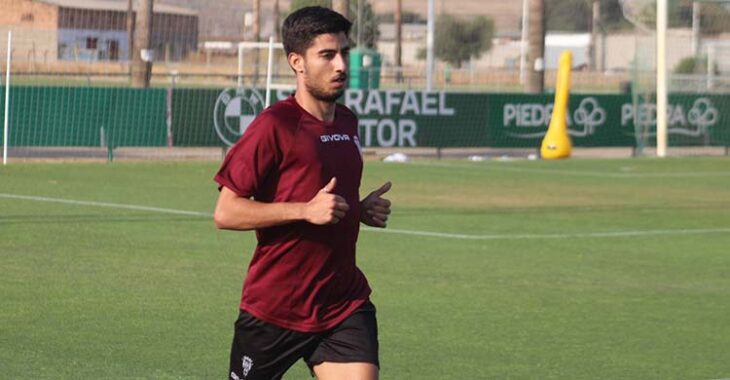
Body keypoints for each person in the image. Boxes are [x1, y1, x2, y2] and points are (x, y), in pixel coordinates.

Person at [213, 6, 392, 380]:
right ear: (297, 62)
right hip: (275, 309)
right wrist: (304, 211)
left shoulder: (347, 120)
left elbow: (323, 201)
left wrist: (358, 209)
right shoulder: (274, 125)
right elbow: (226, 212)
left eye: (344, 52)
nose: (341, 65)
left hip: (342, 304)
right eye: (327, 55)